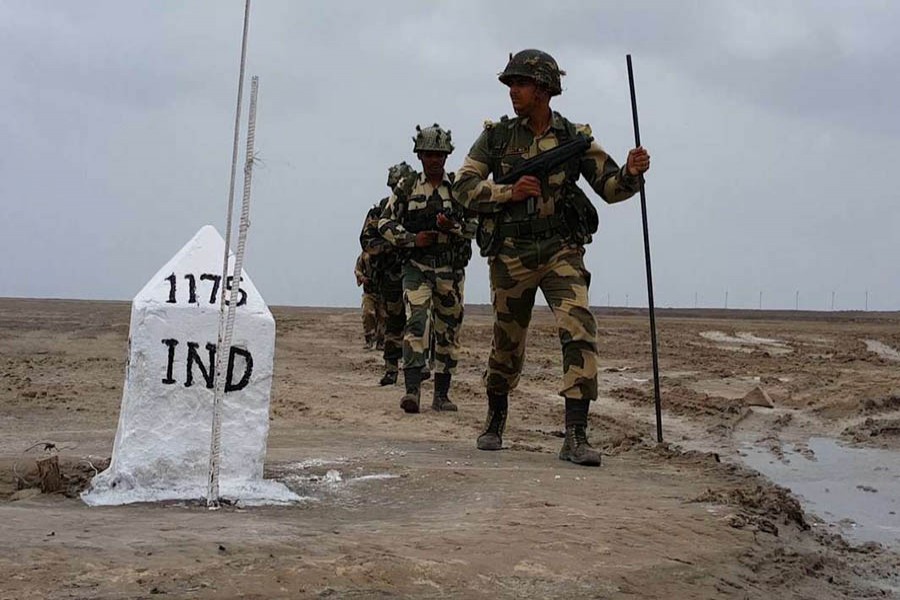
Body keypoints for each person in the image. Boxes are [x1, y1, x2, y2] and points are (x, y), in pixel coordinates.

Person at [452, 49, 650, 466]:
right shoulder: (497, 138)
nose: (512, 92)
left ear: (543, 89)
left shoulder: (573, 139)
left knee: (578, 329)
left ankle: (576, 435)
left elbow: (611, 188)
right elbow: (463, 187)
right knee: (508, 343)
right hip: (511, 253)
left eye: (519, 84)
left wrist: (632, 172)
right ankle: (495, 420)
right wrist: (509, 192)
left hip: (561, 249)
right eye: (510, 84)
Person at [379, 124, 476, 414]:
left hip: (450, 269)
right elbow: (384, 223)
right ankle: (412, 391)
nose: (435, 159)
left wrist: (453, 227)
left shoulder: (458, 187)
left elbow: (476, 228)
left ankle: (442, 395)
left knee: (448, 330)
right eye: (429, 154)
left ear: (447, 157)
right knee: (417, 323)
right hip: (417, 267)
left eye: (440, 155)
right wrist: (411, 239)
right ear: (420, 156)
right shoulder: (407, 187)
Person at [360, 162, 415, 385]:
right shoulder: (380, 210)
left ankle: (416, 367)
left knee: (419, 322)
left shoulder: (419, 209)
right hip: (391, 275)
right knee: (394, 323)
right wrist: (392, 245)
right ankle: (391, 368)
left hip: (418, 272)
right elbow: (367, 240)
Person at [353, 251, 381, 349]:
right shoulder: (364, 255)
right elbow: (357, 269)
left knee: (383, 317)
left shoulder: (387, 253)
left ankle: (382, 341)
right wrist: (362, 278)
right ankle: (369, 339)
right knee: (367, 313)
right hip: (369, 292)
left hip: (384, 292)